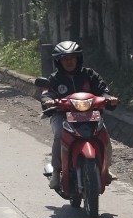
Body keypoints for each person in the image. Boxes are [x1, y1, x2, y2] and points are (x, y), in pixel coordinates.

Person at [39, 40, 118, 186]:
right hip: (62, 115)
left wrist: (109, 99)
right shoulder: (54, 79)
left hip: (90, 114)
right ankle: (56, 172)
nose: (69, 62)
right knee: (58, 135)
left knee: (104, 135)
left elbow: (103, 91)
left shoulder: (90, 75)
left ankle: (105, 169)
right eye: (65, 59)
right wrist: (48, 101)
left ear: (78, 59)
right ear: (59, 61)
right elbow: (46, 94)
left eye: (72, 58)